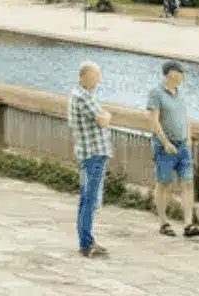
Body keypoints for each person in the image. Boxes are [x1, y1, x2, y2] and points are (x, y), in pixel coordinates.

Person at [146, 60, 199, 238]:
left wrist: (188, 137)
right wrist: (165, 142)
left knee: (187, 182)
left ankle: (188, 224)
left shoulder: (180, 93)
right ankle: (163, 222)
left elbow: (185, 117)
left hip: (182, 144)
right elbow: (153, 120)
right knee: (164, 183)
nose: (182, 75)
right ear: (169, 73)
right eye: (180, 72)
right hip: (165, 146)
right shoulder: (156, 93)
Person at [66, 62, 113, 258]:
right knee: (89, 199)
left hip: (91, 153)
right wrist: (107, 115)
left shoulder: (81, 94)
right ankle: (86, 243)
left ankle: (87, 240)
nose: (98, 80)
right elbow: (102, 119)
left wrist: (104, 115)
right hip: (92, 154)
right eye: (96, 76)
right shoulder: (82, 97)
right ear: (84, 76)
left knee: (89, 199)